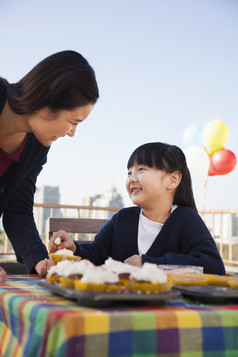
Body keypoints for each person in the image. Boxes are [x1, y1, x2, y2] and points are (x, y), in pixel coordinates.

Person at [48, 142, 225, 275]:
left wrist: (149, 264)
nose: (132, 178)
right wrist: (74, 250)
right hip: (119, 307)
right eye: (129, 172)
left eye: (141, 169)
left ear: (172, 180)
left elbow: (212, 265)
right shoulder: (122, 219)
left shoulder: (186, 219)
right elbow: (96, 253)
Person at [0, 50, 99, 277]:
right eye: (73, 122)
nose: (72, 133)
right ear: (46, 103)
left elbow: (18, 210)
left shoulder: (36, 145)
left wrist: (40, 261)